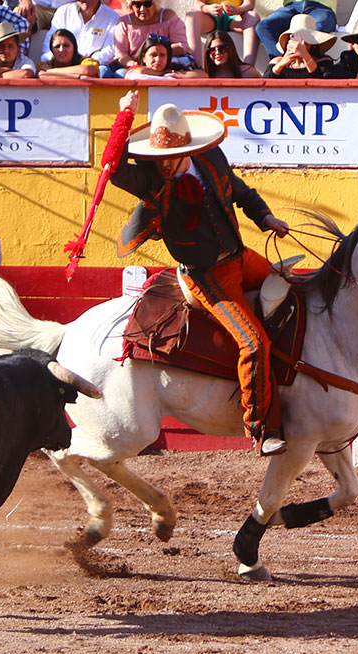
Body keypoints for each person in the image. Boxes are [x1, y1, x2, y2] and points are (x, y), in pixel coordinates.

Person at [108, 90, 291, 456]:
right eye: (158, 157)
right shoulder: (150, 178)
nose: (163, 164)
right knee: (253, 343)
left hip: (240, 257)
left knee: (290, 286)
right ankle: (261, 427)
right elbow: (112, 169)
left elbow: (241, 192)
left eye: (169, 156)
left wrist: (266, 217)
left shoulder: (210, 158)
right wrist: (124, 117)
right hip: (206, 276)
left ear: (187, 149)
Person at [39, 0, 119, 78]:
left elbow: (109, 51)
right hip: (62, 63)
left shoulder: (112, 17)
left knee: (103, 71)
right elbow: (50, 43)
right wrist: (51, 62)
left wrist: (87, 62)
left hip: (93, 64)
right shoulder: (63, 12)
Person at [113, 0, 192, 76]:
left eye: (147, 3)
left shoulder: (168, 17)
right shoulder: (124, 22)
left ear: (155, 3)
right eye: (137, 4)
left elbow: (181, 46)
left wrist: (158, 55)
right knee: (120, 74)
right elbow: (121, 55)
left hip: (165, 64)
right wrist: (136, 65)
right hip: (136, 67)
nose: (142, 9)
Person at [264, 14, 345, 78]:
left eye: (304, 40)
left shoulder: (322, 61)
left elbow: (322, 78)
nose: (298, 44)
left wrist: (305, 56)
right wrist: (283, 63)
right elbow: (265, 82)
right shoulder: (277, 62)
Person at [184, 0, 260, 66]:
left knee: (253, 16)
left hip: (235, 17)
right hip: (210, 17)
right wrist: (209, 8)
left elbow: (249, 4)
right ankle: (196, 66)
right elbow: (197, 4)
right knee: (191, 16)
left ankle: (248, 67)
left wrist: (238, 9)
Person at [255, 0, 337, 60]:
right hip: (291, 6)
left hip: (322, 7)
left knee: (317, 29)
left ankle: (308, 65)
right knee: (264, 27)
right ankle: (284, 64)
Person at [125, 33, 208, 77]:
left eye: (162, 55)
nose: (158, 59)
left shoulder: (174, 69)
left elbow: (203, 75)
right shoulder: (135, 68)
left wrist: (176, 75)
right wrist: (162, 73)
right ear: (144, 57)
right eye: (153, 55)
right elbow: (139, 72)